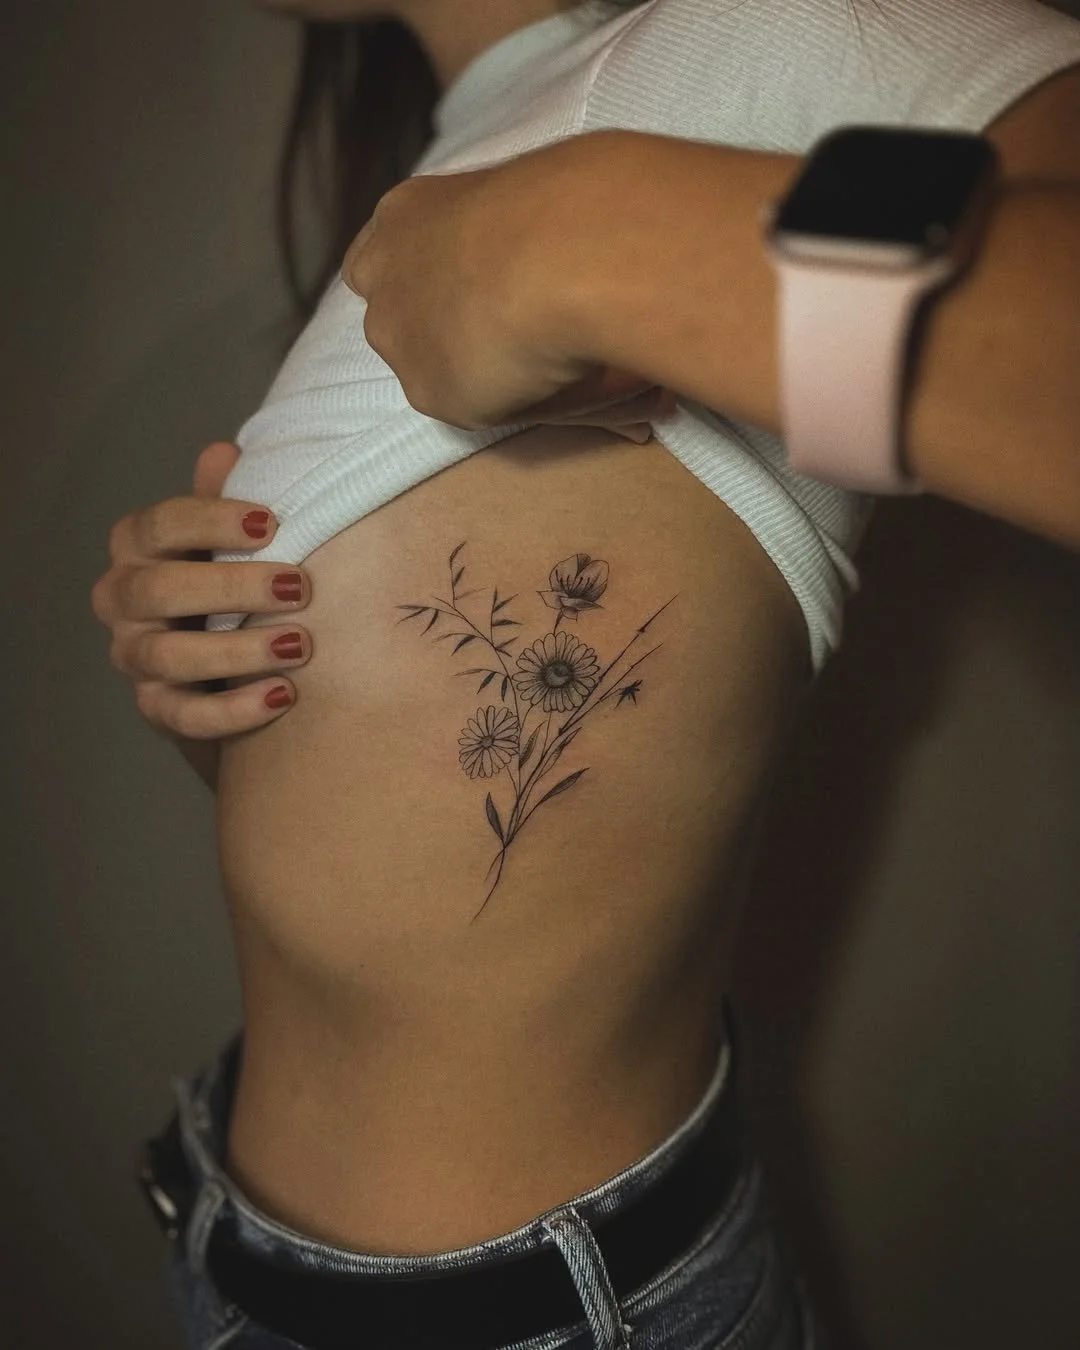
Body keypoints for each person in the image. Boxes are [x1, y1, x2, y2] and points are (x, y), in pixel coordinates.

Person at [90, 2, 1080, 1348]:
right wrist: (225, 691)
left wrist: (579, 241)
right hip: (232, 1242)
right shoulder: (463, 142)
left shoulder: (797, 37)